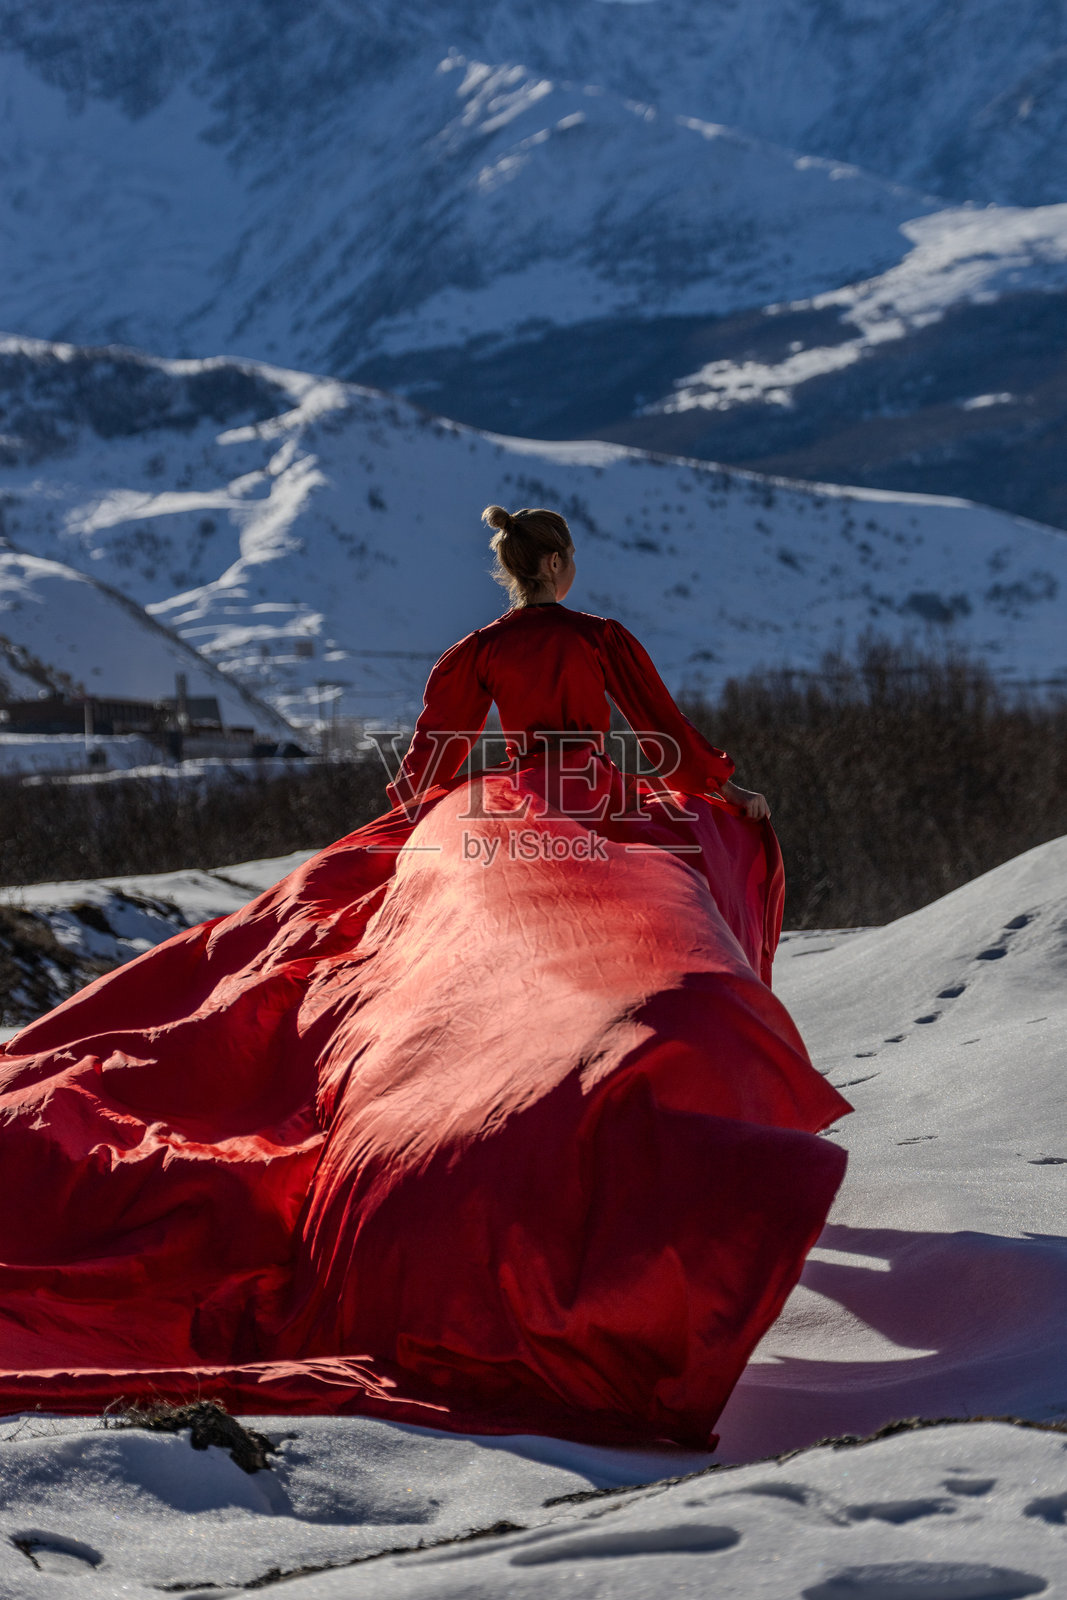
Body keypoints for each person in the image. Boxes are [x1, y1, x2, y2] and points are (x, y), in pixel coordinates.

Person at [0, 505, 850, 1450]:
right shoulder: (598, 638)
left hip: (505, 802)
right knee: (665, 898)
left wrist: (417, 829)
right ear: (558, 565)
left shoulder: (473, 653)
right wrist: (723, 787)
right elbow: (663, 733)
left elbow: (426, 761)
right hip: (597, 796)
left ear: (509, 571)